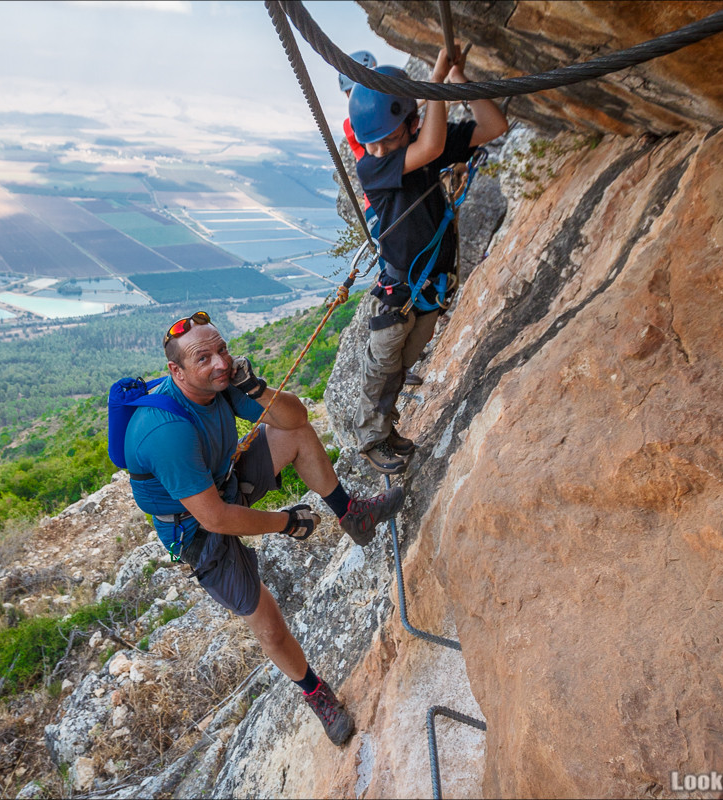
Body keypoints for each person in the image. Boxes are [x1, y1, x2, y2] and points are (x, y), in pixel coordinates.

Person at [123, 311, 405, 745]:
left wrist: (255, 388)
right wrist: (287, 522)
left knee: (298, 436)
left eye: (222, 349)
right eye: (204, 358)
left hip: (223, 483)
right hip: (196, 529)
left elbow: (295, 418)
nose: (220, 363)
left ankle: (352, 515)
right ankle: (317, 695)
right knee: (268, 622)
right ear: (176, 372)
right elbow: (214, 518)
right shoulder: (165, 431)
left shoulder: (222, 384)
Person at [348, 48, 508, 474]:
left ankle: (385, 429)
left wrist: (460, 82)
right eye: (372, 141)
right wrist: (436, 80)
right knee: (381, 365)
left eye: (388, 138)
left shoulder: (425, 148)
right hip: (399, 289)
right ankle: (370, 438)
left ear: (412, 124)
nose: (379, 148)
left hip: (431, 288)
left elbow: (494, 126)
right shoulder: (374, 168)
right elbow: (432, 142)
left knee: (400, 366)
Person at [340, 52, 424, 390]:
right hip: (384, 190)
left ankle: (398, 366)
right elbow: (381, 155)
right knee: (395, 271)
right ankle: (391, 368)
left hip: (394, 183)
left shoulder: (369, 113)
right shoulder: (355, 122)